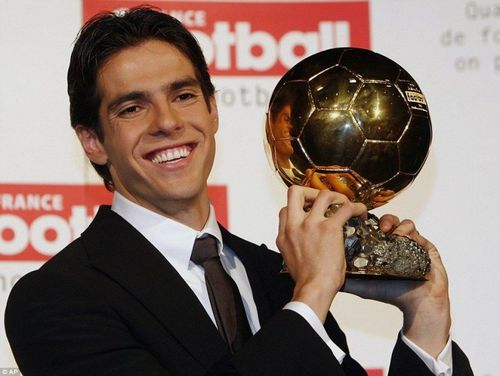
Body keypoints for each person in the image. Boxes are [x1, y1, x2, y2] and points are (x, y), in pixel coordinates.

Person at [5, 6, 473, 376]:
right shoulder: (55, 299)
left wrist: (425, 323)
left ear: (212, 109)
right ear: (92, 140)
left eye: (184, 95)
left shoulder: (276, 280)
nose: (168, 122)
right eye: (132, 107)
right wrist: (310, 297)